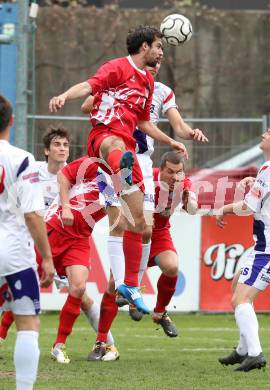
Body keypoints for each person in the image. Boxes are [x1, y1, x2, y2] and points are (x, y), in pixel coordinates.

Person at [49, 26, 187, 313]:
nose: (162, 52)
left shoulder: (148, 83)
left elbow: (144, 123)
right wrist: (64, 95)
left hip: (128, 151)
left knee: (138, 223)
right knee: (114, 145)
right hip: (103, 140)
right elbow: (88, 87)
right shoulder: (116, 67)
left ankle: (130, 285)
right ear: (145, 46)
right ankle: (119, 171)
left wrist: (171, 139)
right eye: (159, 46)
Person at [81, 61, 207, 319]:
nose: (156, 63)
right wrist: (104, 96)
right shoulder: (121, 82)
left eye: (160, 59)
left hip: (143, 163)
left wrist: (189, 133)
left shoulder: (161, 91)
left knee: (145, 227)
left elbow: (179, 126)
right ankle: (122, 292)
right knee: (119, 222)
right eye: (152, 56)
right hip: (115, 155)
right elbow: (86, 106)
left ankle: (132, 286)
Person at [0, 127, 116, 357]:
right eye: (57, 145)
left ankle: (104, 343)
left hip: (74, 238)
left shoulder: (95, 177)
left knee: (80, 292)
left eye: (65, 145)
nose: (62, 149)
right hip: (42, 236)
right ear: (46, 150)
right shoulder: (35, 170)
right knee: (20, 287)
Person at [87, 151, 198, 360]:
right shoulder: (147, 179)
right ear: (160, 169)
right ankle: (101, 341)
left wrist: (188, 201)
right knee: (113, 285)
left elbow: (193, 209)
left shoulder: (184, 184)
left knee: (172, 266)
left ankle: (160, 312)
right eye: (170, 172)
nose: (175, 177)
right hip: (135, 234)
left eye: (179, 173)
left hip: (160, 235)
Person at [216, 122, 270, 372]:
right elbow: (269, 195)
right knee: (237, 287)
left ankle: (255, 353)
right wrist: (257, 182)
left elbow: (249, 207)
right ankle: (243, 350)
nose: (264, 134)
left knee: (242, 298)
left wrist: (224, 208)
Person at [0, 95, 55, 390]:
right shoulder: (23, 160)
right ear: (11, 120)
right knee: (27, 324)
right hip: (13, 254)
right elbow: (33, 214)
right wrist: (46, 257)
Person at [42, 156, 118, 363]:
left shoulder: (124, 182)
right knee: (23, 283)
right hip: (55, 228)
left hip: (79, 239)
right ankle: (3, 333)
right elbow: (63, 176)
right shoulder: (93, 164)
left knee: (78, 288)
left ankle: (59, 345)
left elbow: (121, 217)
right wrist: (66, 207)